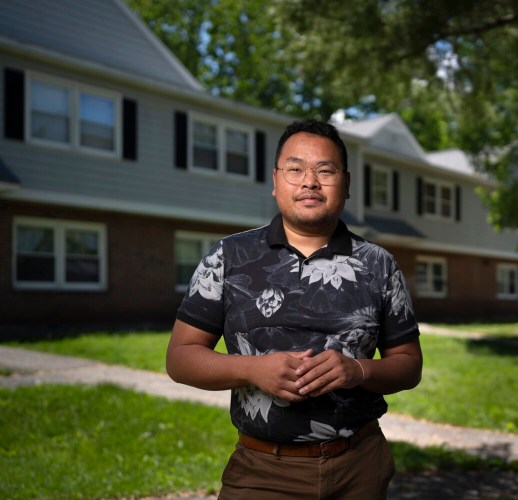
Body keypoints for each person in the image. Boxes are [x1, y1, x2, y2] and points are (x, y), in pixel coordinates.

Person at [167, 118, 423, 499]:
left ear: (347, 184)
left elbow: (409, 364)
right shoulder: (229, 257)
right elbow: (181, 358)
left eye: (325, 170)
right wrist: (254, 370)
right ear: (275, 181)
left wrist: (356, 370)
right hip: (263, 471)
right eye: (295, 169)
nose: (309, 181)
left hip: (359, 467)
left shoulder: (379, 265)